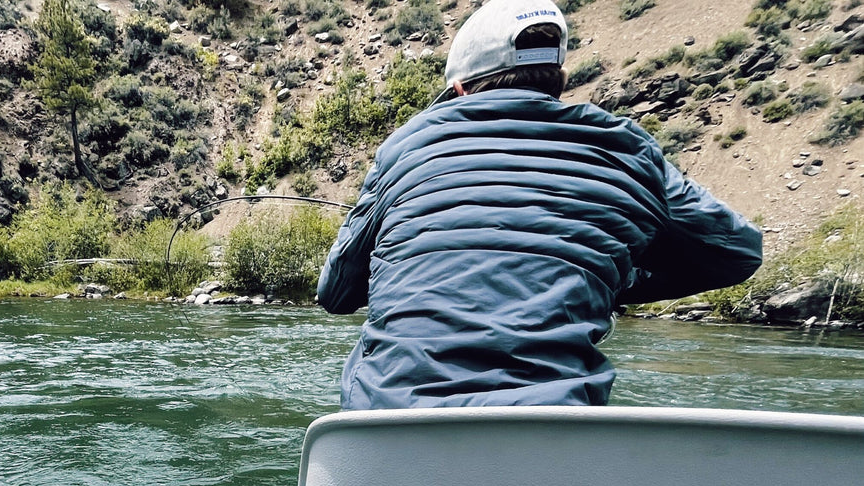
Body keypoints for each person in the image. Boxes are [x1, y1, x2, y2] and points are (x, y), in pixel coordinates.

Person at [317, 0, 763, 409]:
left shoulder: (408, 144)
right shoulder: (628, 149)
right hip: (555, 438)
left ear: (459, 90)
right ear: (559, 80)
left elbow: (335, 295)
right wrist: (608, 277)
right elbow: (737, 252)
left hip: (386, 438)